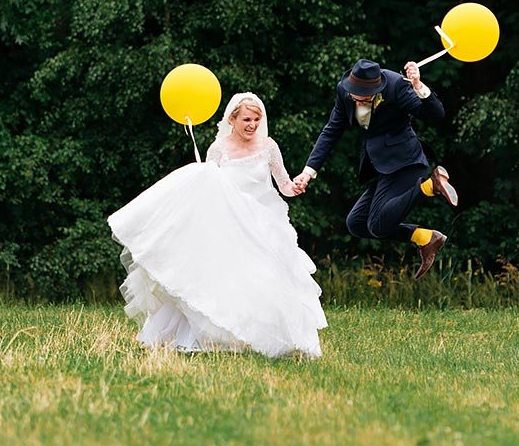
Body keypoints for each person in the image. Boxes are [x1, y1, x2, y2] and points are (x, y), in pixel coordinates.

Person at [108, 92, 327, 358]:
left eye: (257, 119)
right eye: (247, 119)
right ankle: (208, 337)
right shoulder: (219, 149)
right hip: (229, 224)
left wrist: (296, 186)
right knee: (220, 279)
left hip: (263, 224)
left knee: (266, 279)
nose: (253, 125)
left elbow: (283, 185)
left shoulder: (269, 147)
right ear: (232, 119)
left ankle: (268, 339)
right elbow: (207, 187)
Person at [293, 59, 457, 279]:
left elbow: (435, 114)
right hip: (381, 167)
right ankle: (426, 238)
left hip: (406, 162)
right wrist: (307, 172)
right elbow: (331, 131)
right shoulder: (344, 91)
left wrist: (418, 86)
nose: (359, 99)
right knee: (356, 223)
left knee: (379, 225)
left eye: (365, 96)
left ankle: (430, 186)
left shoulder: (397, 85)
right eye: (356, 95)